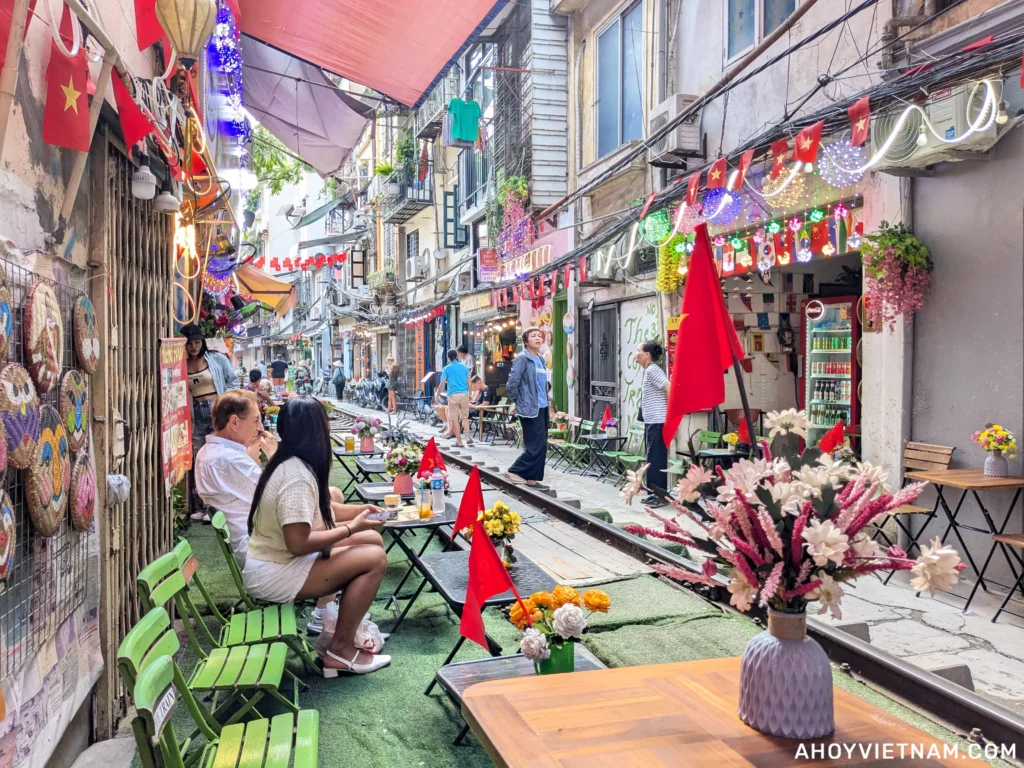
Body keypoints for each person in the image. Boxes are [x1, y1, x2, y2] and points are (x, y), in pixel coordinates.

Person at [245, 398, 391, 675]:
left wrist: (363, 511)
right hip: (275, 571)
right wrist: (352, 528)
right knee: (374, 558)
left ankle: (339, 625)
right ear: (317, 430)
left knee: (371, 542)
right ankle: (341, 650)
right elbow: (298, 544)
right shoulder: (296, 476)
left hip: (276, 561)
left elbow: (324, 508)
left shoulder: (291, 461)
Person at [181, 323, 239, 521]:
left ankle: (217, 508)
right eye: (189, 343)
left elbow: (232, 381)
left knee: (218, 456)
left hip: (217, 409)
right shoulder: (181, 363)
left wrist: (225, 403)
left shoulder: (216, 359)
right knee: (198, 458)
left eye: (197, 342)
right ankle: (200, 507)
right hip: (195, 413)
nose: (194, 346)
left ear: (202, 343)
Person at [505, 328, 548, 485]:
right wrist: (519, 401)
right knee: (534, 444)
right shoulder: (523, 359)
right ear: (526, 341)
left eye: (539, 335)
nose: (537, 338)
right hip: (529, 408)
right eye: (533, 336)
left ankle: (532, 477)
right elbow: (512, 384)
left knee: (542, 444)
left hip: (542, 407)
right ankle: (514, 470)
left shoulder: (541, 359)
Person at [636, 340, 670, 503]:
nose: (636, 354)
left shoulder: (653, 370)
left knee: (656, 459)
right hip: (653, 422)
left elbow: (668, 388)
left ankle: (658, 495)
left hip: (658, 421)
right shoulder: (649, 370)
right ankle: (654, 492)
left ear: (647, 354)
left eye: (638, 350)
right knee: (652, 458)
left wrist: (669, 414)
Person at [437, 349, 471, 447]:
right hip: (464, 395)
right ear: (457, 356)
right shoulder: (465, 367)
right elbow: (469, 381)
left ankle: (459, 441)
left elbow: (442, 384)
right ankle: (468, 437)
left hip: (453, 396)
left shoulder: (446, 369)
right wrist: (471, 393)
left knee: (454, 419)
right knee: (465, 417)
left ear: (448, 357)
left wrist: (437, 395)